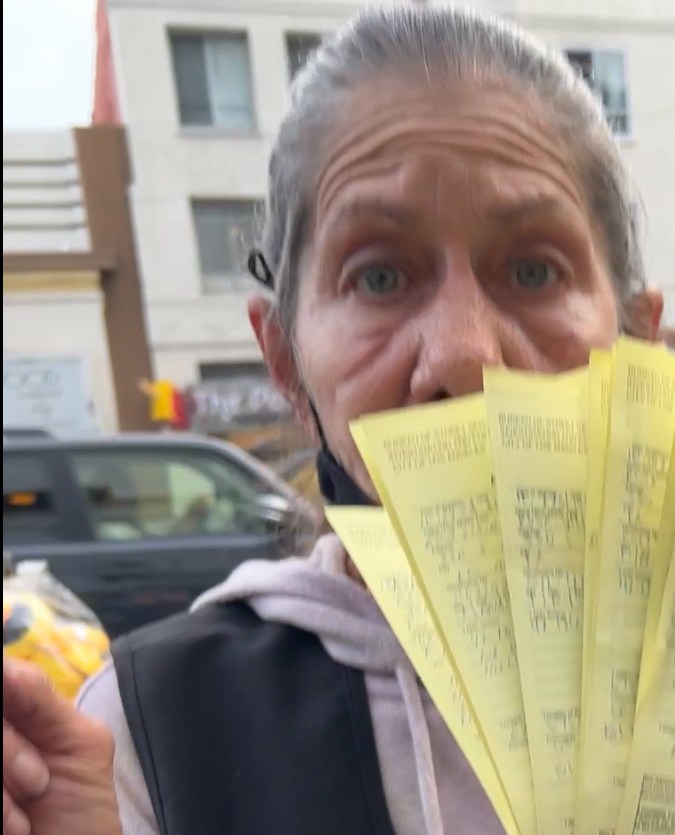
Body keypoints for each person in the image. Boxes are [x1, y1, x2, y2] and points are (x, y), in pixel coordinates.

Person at [2, 6, 667, 835]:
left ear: (637, 340)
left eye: (534, 270)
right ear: (284, 360)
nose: (462, 358)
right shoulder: (147, 738)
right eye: (379, 277)